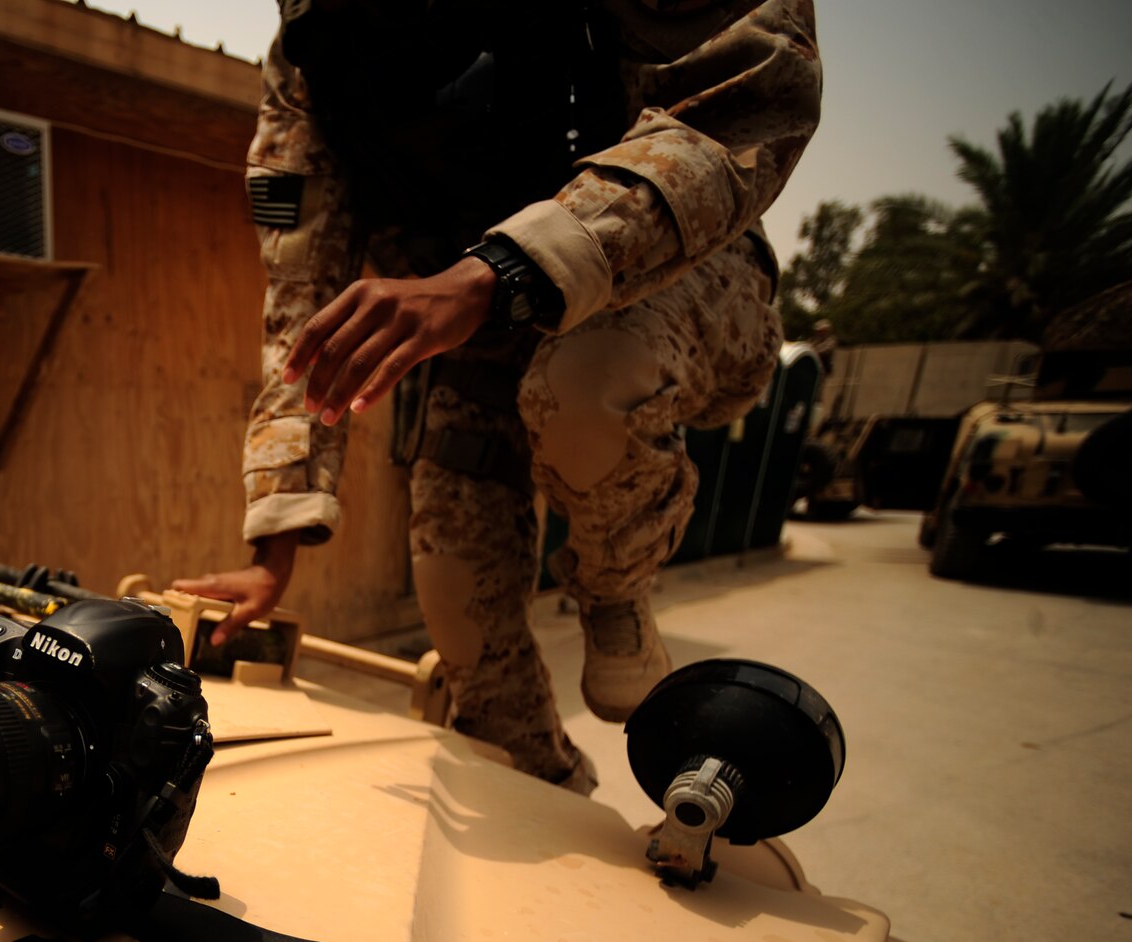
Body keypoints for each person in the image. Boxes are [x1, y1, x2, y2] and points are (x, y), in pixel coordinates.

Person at [174, 0, 821, 790]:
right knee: (453, 587)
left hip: (675, 271)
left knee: (585, 382)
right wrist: (272, 551)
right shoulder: (313, 59)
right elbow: (305, 311)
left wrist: (498, 273)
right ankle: (545, 789)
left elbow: (749, 105)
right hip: (486, 327)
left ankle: (614, 589)